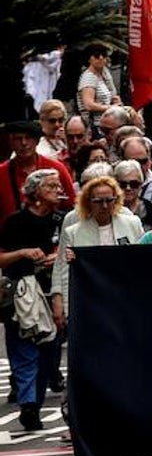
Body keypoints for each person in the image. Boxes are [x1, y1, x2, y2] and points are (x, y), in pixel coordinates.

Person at [0, 169, 64, 432]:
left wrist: (56, 256)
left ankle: (35, 397)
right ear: (35, 192)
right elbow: (2, 258)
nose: (57, 189)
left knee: (50, 350)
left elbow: (69, 248)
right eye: (51, 185)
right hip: (21, 295)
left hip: (53, 293)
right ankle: (29, 406)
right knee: (24, 350)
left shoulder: (63, 220)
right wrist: (24, 253)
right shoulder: (15, 222)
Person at [51, 174, 143, 328]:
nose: (105, 206)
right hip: (89, 304)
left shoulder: (132, 223)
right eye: (98, 201)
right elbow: (62, 269)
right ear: (88, 202)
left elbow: (141, 264)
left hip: (126, 303)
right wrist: (62, 304)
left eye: (109, 200)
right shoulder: (72, 232)